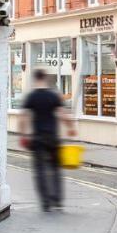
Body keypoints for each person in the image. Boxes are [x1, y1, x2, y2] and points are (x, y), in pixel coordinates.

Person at [20, 69, 74, 210]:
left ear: (35, 79)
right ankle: (57, 199)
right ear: (45, 78)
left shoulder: (31, 97)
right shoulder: (53, 96)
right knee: (55, 169)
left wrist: (23, 135)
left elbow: (24, 118)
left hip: (37, 138)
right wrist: (70, 128)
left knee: (40, 171)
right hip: (52, 138)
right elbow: (63, 114)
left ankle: (45, 202)